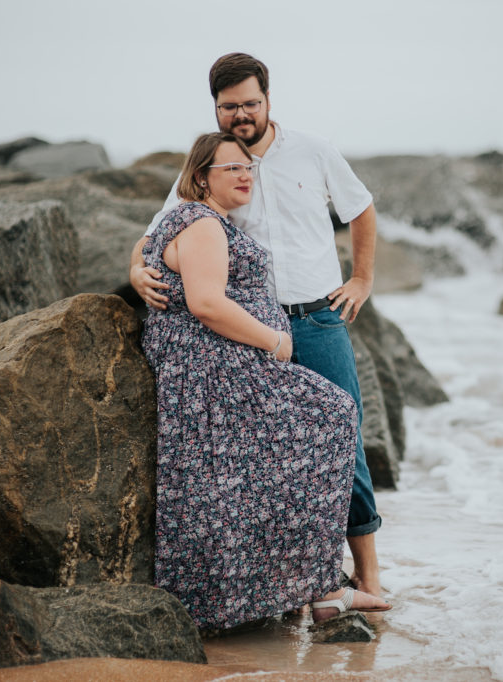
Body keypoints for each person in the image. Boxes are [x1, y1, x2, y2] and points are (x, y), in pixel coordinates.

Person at [130, 53, 385, 597]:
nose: (240, 114)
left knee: (348, 438)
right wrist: (135, 269)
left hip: (317, 318)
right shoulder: (214, 165)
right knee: (273, 458)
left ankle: (367, 572)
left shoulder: (313, 152)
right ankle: (305, 584)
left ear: (268, 100)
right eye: (229, 107)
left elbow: (361, 209)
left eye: (250, 103)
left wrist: (360, 281)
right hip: (246, 336)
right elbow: (160, 230)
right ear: (216, 108)